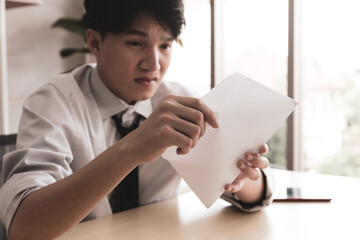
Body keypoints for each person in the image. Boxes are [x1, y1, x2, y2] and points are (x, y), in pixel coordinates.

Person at [0, 0, 273, 239]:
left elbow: (256, 195)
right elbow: (24, 228)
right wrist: (132, 149)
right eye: (136, 43)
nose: (153, 64)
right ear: (94, 42)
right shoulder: (53, 103)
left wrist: (245, 176)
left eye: (165, 45)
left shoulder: (179, 100)